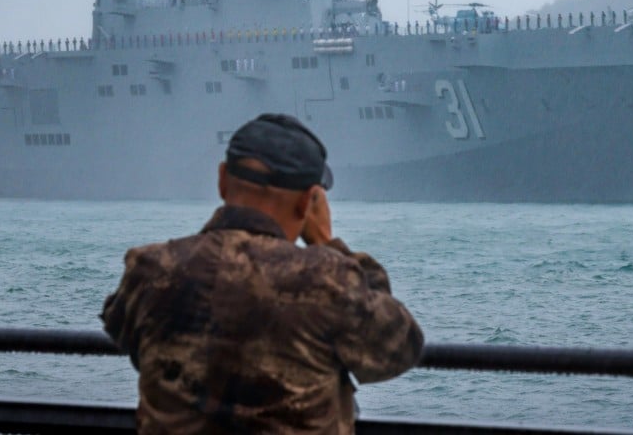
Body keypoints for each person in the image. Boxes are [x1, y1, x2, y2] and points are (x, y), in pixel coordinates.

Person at [101, 113, 424, 434]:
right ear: (307, 203)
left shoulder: (150, 269)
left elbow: (123, 331)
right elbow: (399, 348)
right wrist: (327, 242)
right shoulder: (328, 279)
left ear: (222, 180)